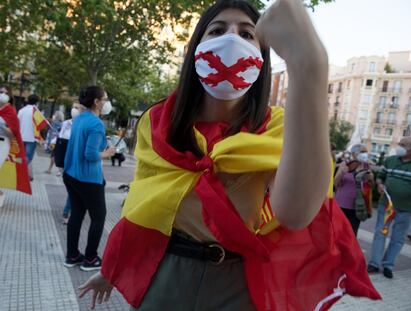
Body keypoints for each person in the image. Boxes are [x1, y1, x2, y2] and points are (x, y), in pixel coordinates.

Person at [78, 1, 380, 310]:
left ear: (261, 58)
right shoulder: (157, 123)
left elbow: (296, 213)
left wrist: (310, 68)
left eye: (248, 34)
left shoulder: (277, 128)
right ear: (196, 48)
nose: (232, 38)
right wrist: (111, 269)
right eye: (218, 30)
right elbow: (142, 205)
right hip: (166, 273)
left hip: (237, 283)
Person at [63, 86, 115, 271]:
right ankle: (91, 259)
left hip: (70, 174)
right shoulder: (96, 124)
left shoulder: (79, 119)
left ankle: (72, 255)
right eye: (105, 98)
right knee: (98, 217)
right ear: (97, 102)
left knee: (76, 214)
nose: (107, 102)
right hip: (88, 179)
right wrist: (107, 153)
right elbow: (91, 155)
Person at [367, 136, 411, 279]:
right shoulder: (390, 160)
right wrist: (379, 184)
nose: (400, 146)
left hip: (406, 209)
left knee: (398, 238)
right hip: (386, 206)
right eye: (400, 143)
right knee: (380, 233)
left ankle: (388, 265)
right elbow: (381, 176)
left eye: (404, 145)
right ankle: (374, 263)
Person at [54, 103, 86, 224]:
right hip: (65, 159)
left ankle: (67, 211)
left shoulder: (83, 124)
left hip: (77, 159)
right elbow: (60, 141)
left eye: (78, 107)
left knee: (74, 188)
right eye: (73, 107)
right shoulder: (66, 123)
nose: (74, 109)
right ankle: (70, 210)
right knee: (73, 188)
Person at [0, 85, 31, 206]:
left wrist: (2, 125)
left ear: (10, 96)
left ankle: (0, 195)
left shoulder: (11, 112)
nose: (2, 94)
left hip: (3, 144)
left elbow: (13, 133)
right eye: (0, 92)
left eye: (5, 93)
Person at [334, 144, 374, 236]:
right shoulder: (345, 164)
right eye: (362, 152)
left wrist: (371, 180)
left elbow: (371, 186)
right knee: (336, 231)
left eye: (366, 152)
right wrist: (341, 173)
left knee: (351, 233)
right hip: (340, 205)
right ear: (354, 153)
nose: (365, 154)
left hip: (357, 207)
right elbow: (336, 184)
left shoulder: (367, 166)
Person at [17, 94, 48, 180]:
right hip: (31, 137)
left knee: (22, 156)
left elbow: (17, 123)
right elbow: (41, 126)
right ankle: (20, 172)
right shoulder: (36, 111)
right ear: (37, 102)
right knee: (28, 157)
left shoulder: (21, 110)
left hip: (21, 136)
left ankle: (24, 173)